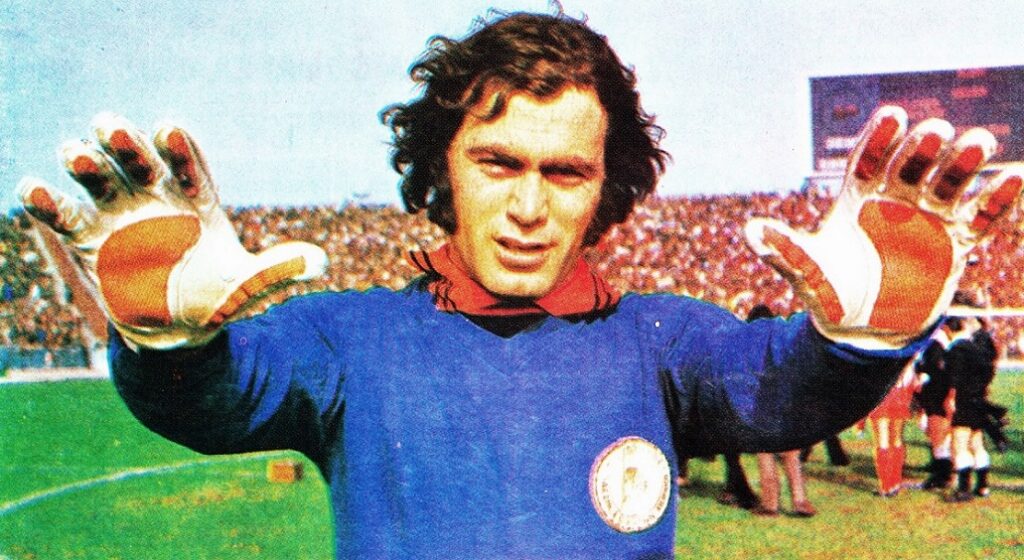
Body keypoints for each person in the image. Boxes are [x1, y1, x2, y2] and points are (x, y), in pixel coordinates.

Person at [16, 9, 1023, 559]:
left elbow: (779, 388)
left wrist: (861, 336)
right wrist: (167, 340)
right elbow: (215, 397)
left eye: (566, 172)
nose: (529, 206)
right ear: (442, 167)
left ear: (605, 188)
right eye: (497, 162)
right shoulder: (345, 339)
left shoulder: (661, 339)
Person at [746, 304, 816, 517]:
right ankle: (800, 500)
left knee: (765, 454)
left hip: (763, 405)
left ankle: (770, 504)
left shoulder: (751, 346)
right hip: (788, 404)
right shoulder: (785, 340)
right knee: (791, 456)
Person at [946, 317, 999, 501]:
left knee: (960, 443)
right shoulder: (979, 349)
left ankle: (963, 490)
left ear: (949, 330)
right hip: (979, 400)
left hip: (964, 400)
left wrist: (951, 398)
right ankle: (983, 486)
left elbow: (954, 379)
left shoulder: (957, 350)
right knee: (977, 442)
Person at [867, 358, 919, 497]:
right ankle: (895, 482)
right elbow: (912, 379)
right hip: (900, 395)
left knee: (882, 440)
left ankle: (886, 486)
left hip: (882, 395)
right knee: (897, 439)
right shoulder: (906, 354)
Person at [916, 317, 956, 490]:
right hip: (940, 395)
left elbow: (931, 370)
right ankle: (943, 470)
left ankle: (943, 474)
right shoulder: (939, 344)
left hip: (938, 396)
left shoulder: (935, 345)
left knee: (938, 434)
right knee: (939, 434)